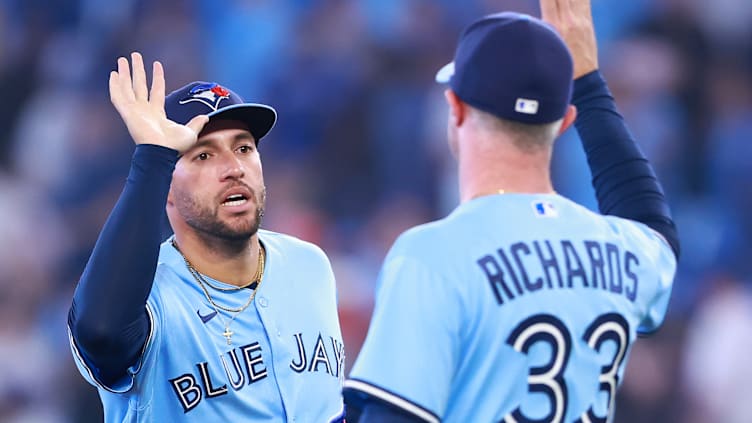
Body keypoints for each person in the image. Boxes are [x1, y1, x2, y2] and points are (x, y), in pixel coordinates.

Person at [343, 0, 680, 421]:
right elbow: (655, 228)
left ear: (455, 108)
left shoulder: (432, 255)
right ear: (566, 120)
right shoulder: (624, 249)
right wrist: (590, 83)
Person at [67, 52, 346, 422]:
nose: (234, 168)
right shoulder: (149, 299)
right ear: (163, 184)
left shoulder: (309, 264)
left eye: (244, 148)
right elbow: (100, 332)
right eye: (203, 156)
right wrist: (152, 157)